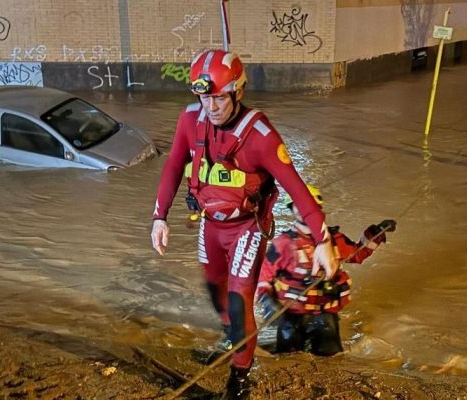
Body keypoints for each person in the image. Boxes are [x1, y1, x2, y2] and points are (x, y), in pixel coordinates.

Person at [149, 49, 339, 399]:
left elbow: (297, 189)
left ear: (237, 91)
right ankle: (232, 340)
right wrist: (159, 217)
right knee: (214, 291)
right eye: (204, 96)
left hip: (246, 228)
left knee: (239, 302)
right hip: (210, 223)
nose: (211, 105)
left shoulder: (261, 137)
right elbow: (174, 166)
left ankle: (240, 376)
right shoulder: (189, 121)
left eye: (219, 97)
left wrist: (322, 240)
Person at [256, 185, 396, 356]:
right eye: (298, 205)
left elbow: (358, 254)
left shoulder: (335, 240)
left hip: (324, 314)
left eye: (308, 205)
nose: (303, 210)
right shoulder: (284, 243)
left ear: (318, 208)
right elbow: (263, 277)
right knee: (287, 356)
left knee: (330, 356)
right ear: (292, 210)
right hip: (291, 315)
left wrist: (377, 232)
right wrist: (270, 304)